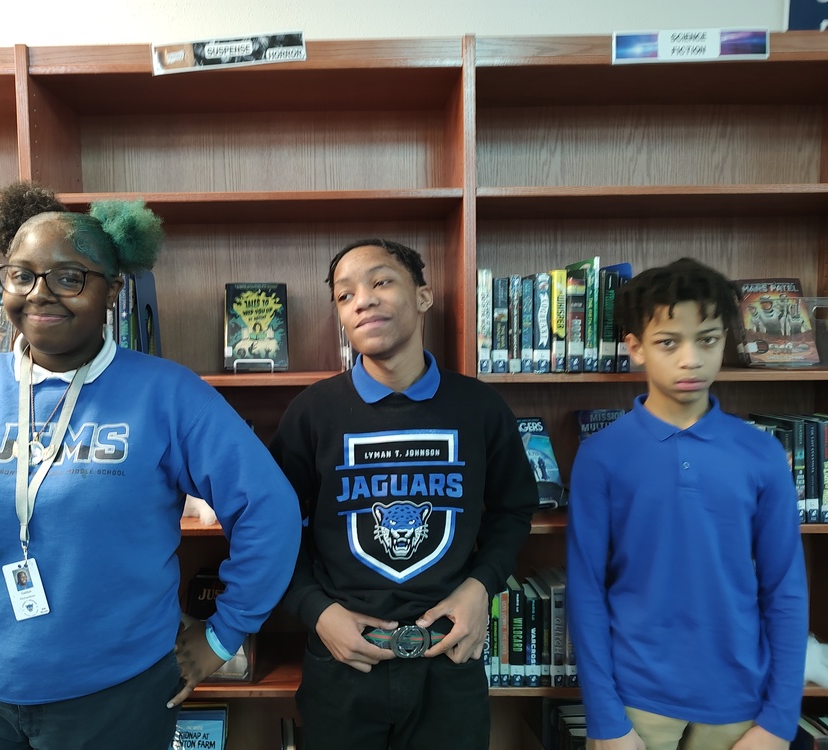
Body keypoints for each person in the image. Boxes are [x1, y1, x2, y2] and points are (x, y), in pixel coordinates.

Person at [0, 182, 301, 749]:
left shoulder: (169, 395)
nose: (39, 294)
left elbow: (269, 510)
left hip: (117, 699)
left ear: (112, 291)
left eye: (69, 277)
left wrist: (226, 635)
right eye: (21, 275)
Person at [269, 238, 539, 750]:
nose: (362, 300)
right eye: (344, 296)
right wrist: (315, 610)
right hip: (342, 661)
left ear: (423, 296)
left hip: (449, 660)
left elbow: (513, 509)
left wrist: (482, 586)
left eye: (381, 281)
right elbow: (273, 526)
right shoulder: (312, 413)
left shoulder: (480, 408)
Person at [566, 257, 808, 750]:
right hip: (635, 701)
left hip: (741, 701)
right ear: (635, 348)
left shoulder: (761, 453)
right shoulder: (601, 456)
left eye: (708, 339)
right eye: (668, 342)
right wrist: (606, 720)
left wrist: (781, 720)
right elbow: (585, 590)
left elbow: (785, 588)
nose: (691, 359)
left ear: (726, 342)